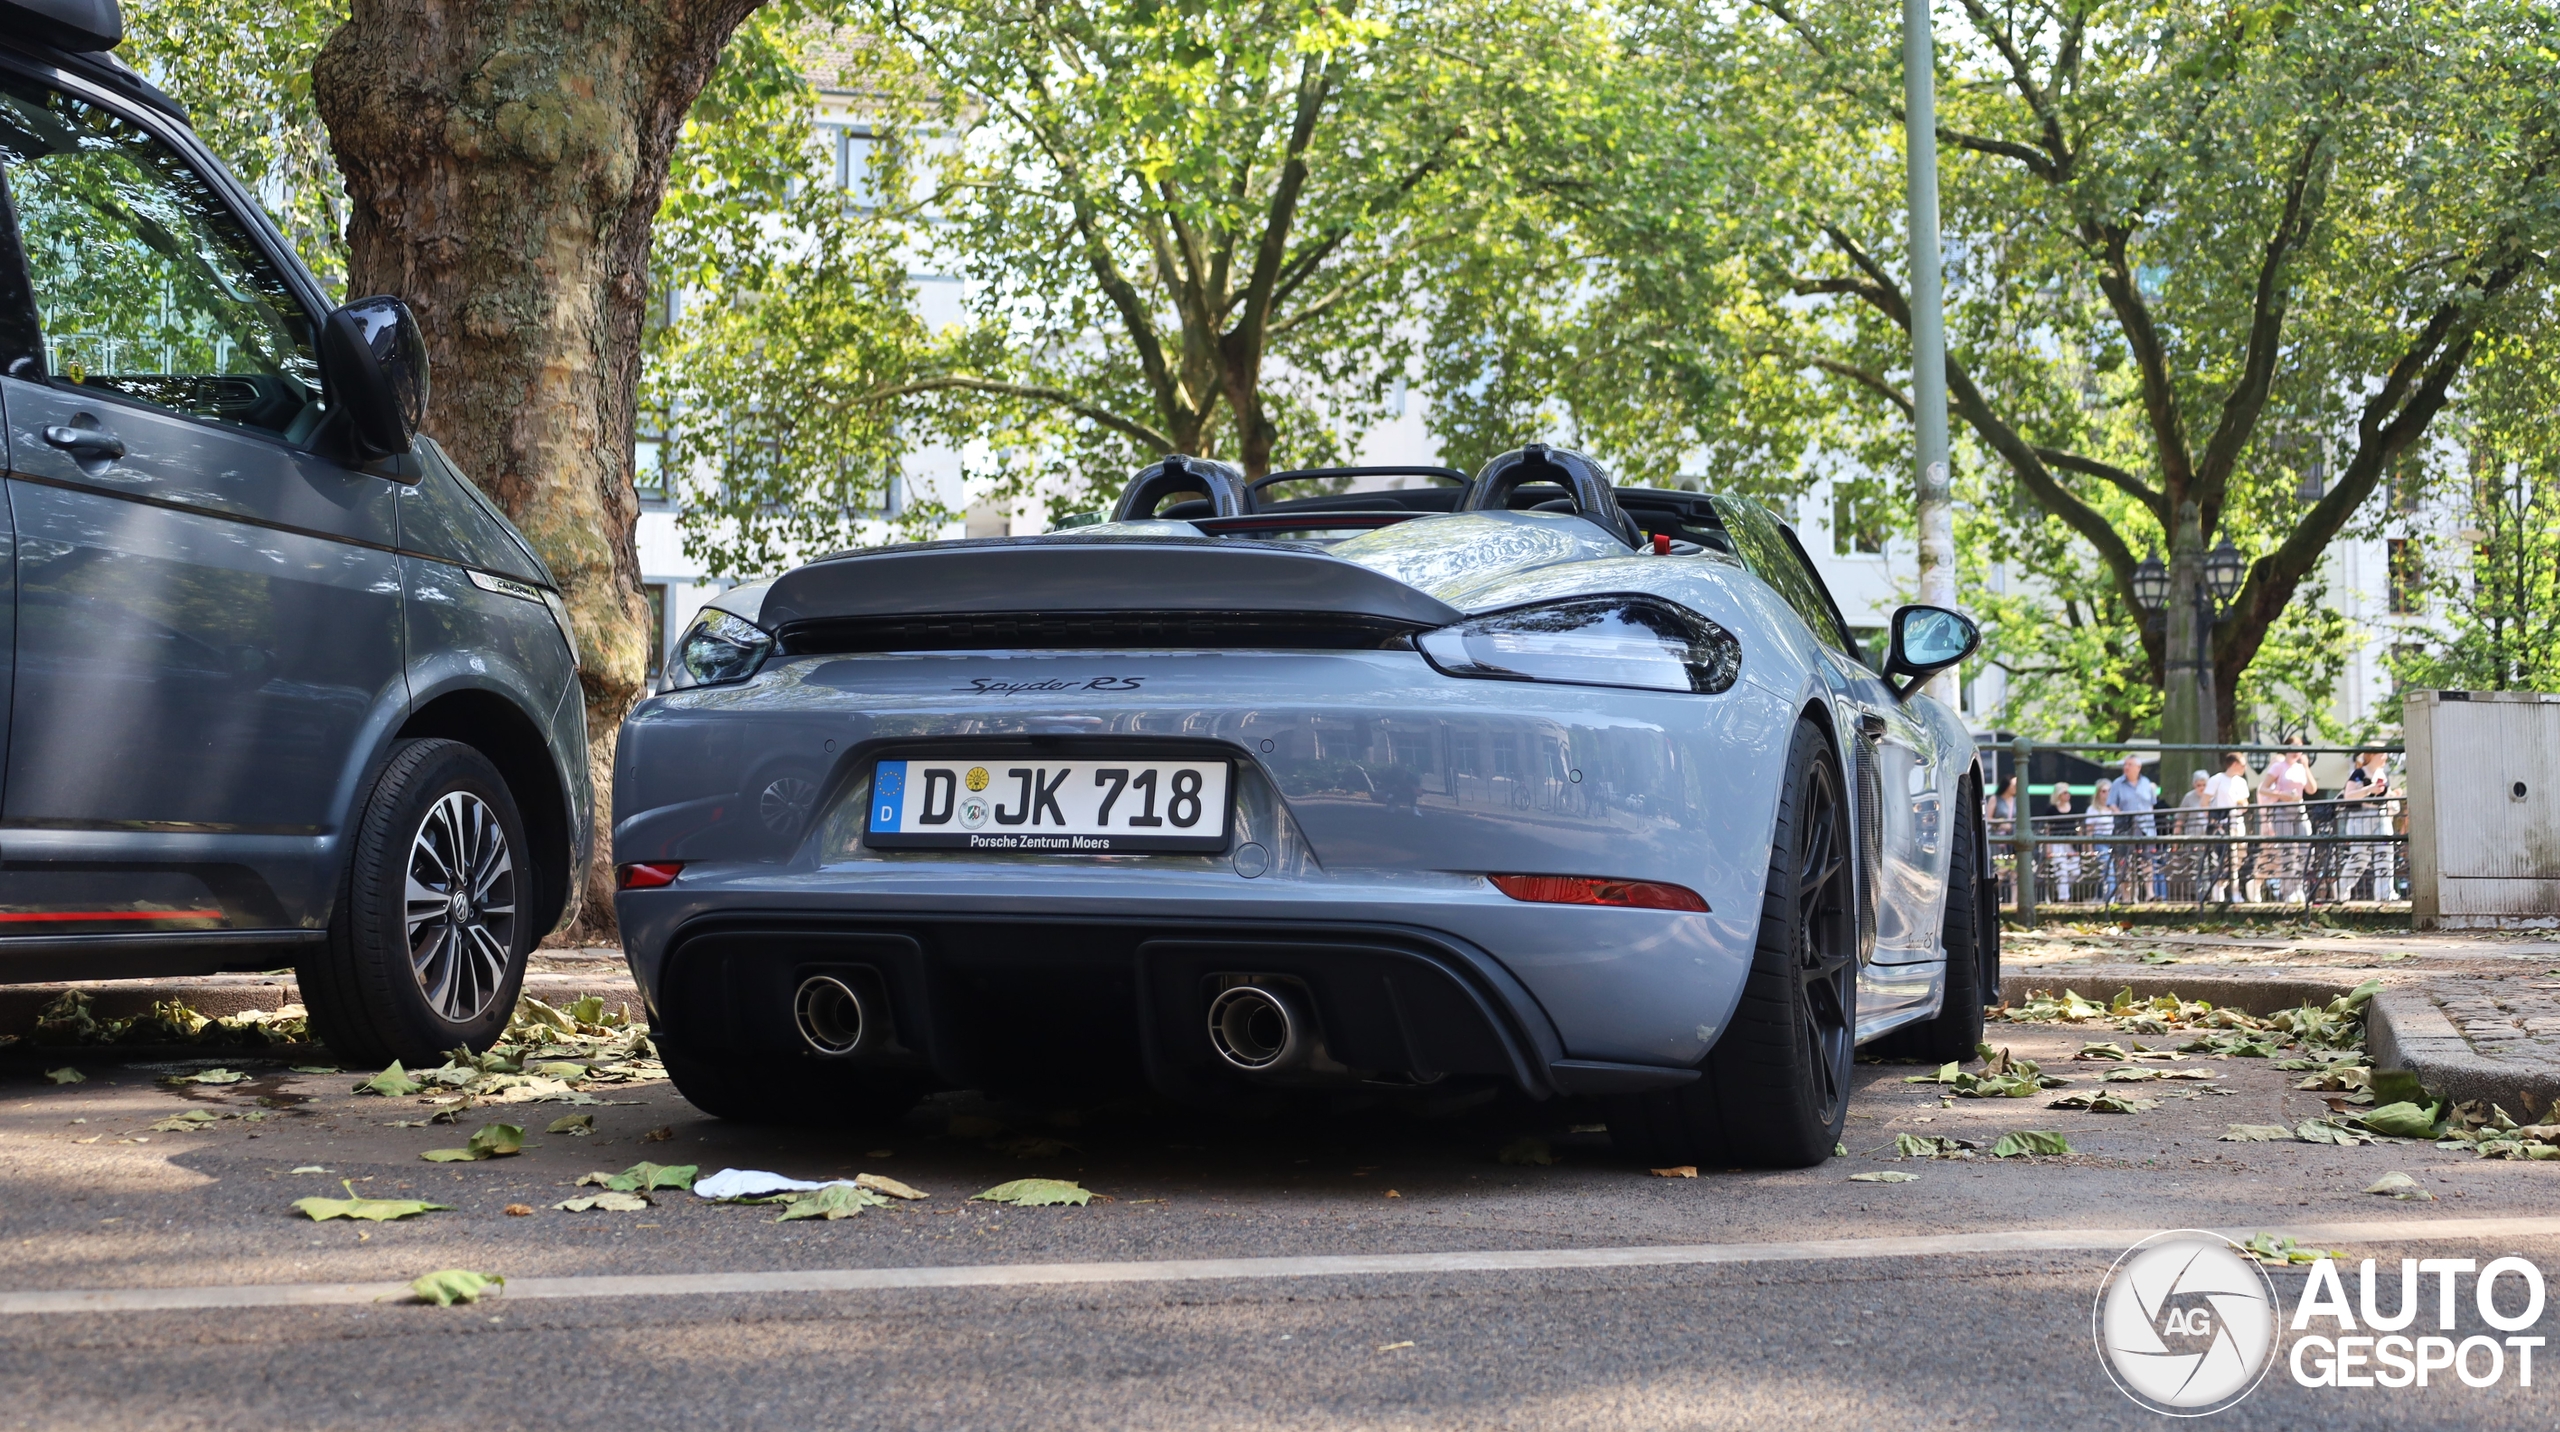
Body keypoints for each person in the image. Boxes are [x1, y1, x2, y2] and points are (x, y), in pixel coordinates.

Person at [2258, 739, 2317, 902]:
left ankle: (2298, 886)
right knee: (2288, 851)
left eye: (2299, 748)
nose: (2296, 751)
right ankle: (2288, 891)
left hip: (2299, 809)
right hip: (2282, 809)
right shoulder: (2279, 766)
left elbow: (2312, 789)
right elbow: (2263, 788)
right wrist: (2281, 794)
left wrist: (2306, 766)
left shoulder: (2300, 768)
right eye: (2293, 748)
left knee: (2306, 850)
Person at [2337, 750, 2394, 902]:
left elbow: (2386, 795)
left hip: (2381, 815)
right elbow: (2348, 795)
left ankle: (2385, 893)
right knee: (2360, 857)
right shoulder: (2359, 773)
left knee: (2385, 852)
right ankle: (2342, 887)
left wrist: (2392, 798)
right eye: (2382, 754)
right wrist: (2369, 789)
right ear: (2372, 756)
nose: (2385, 757)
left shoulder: (2383, 773)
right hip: (2360, 817)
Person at [2105, 755, 2162, 901]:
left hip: (2145, 827)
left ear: (2138, 767)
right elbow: (2112, 804)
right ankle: (2127, 897)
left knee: (2147, 861)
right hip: (2125, 828)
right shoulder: (2117, 783)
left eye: (2130, 764)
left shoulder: (2146, 783)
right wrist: (2122, 815)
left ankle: (2150, 894)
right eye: (2125, 764)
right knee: (2125, 862)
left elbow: (2151, 804)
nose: (2126, 767)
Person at [2204, 754, 2254, 903]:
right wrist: (2213, 820)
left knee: (2239, 857)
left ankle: (2230, 889)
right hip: (2222, 824)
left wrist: (2242, 804)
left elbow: (2245, 802)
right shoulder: (2217, 779)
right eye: (2242, 765)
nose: (2245, 768)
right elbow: (2204, 802)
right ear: (2233, 764)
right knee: (2225, 858)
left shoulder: (2241, 782)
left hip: (2237, 823)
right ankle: (2223, 890)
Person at [2174, 770, 2211, 902]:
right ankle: (2202, 895)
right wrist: (2175, 841)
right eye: (2198, 785)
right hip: (2195, 838)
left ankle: (2213, 894)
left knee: (2213, 864)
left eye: (2204, 785)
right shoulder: (2189, 797)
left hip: (2210, 837)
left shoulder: (2212, 795)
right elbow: (2180, 819)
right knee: (2199, 866)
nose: (2201, 788)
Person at [2043, 783, 2082, 903]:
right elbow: (2047, 829)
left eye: (2068, 792)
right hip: (2057, 842)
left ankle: (2062, 890)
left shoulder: (2074, 809)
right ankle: (2064, 898)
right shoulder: (2051, 810)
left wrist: (2080, 844)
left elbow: (2079, 826)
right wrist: (2048, 847)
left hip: (2071, 843)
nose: (2068, 795)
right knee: (2062, 870)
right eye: (2065, 792)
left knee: (2075, 871)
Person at [2087, 783, 2120, 903]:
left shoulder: (2113, 808)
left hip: (2113, 840)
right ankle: (2110, 899)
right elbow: (2089, 830)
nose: (2106, 794)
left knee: (2110, 870)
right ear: (2098, 793)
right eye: (2103, 791)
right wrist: (2090, 848)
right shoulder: (2093, 809)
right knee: (2108, 869)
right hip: (2100, 839)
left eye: (2109, 791)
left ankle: (2104, 897)